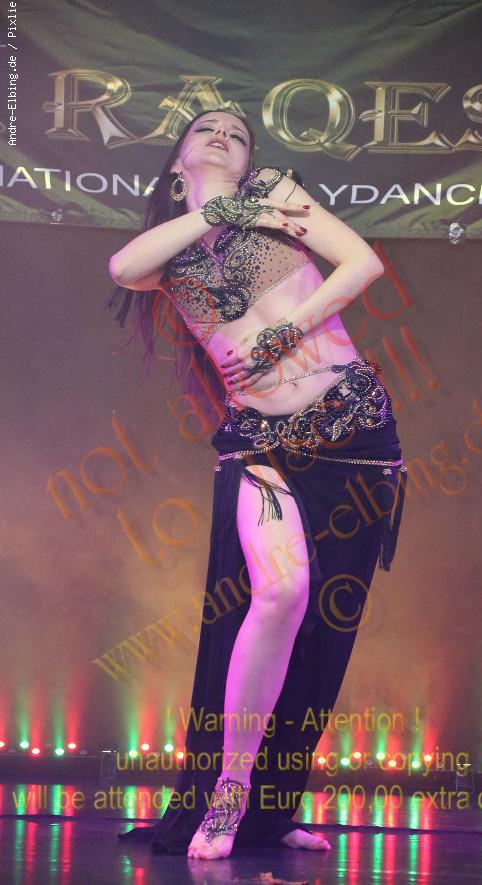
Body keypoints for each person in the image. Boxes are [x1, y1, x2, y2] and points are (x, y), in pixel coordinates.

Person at [106, 108, 407, 859]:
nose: (222, 136)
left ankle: (273, 808)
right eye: (205, 129)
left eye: (237, 134)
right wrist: (220, 209)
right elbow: (123, 269)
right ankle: (229, 794)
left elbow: (361, 264)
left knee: (323, 627)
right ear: (178, 161)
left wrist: (282, 332)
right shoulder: (170, 252)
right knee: (279, 593)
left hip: (353, 428)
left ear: (250, 161)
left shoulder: (277, 192)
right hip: (260, 440)